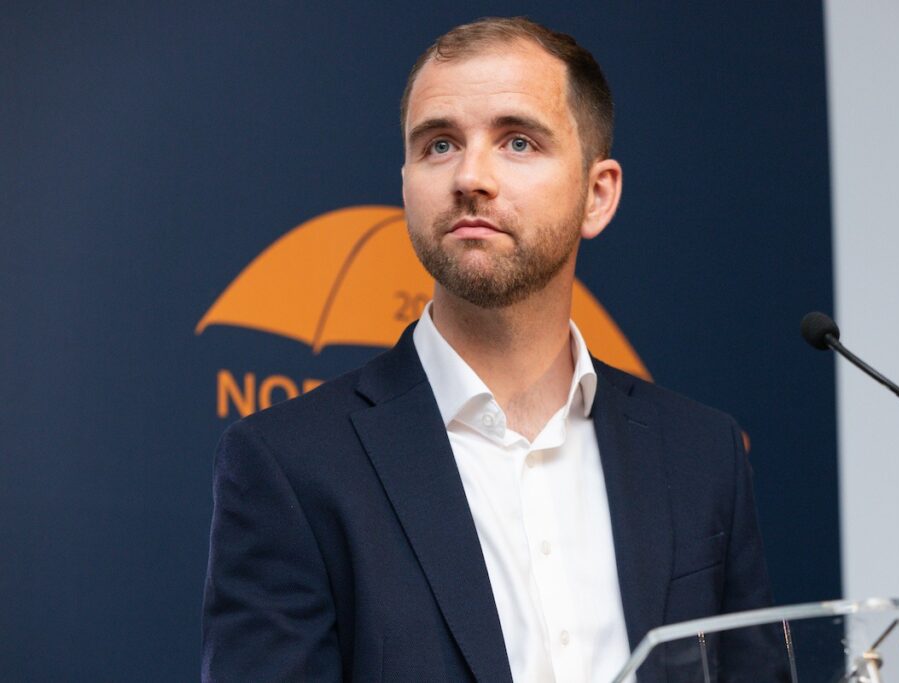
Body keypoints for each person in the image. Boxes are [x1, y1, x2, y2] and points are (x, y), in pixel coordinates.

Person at [202, 17, 781, 683]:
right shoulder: (291, 464)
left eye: (518, 141)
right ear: (406, 185)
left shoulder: (702, 454)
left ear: (597, 195)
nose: (471, 176)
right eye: (440, 144)